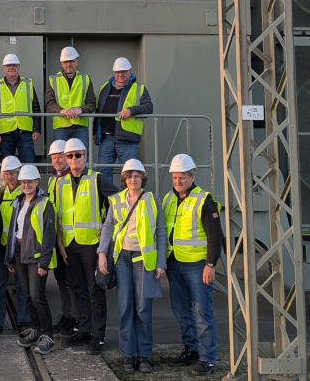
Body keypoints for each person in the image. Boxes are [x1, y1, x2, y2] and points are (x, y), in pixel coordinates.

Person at [96, 159, 166, 373]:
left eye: (137, 175)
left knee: (143, 307)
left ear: (142, 178)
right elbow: (108, 226)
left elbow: (161, 231)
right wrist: (101, 253)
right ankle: (128, 355)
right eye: (129, 175)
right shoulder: (116, 199)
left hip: (144, 260)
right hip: (122, 259)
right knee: (126, 306)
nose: (133, 179)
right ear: (124, 179)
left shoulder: (152, 199)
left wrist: (161, 263)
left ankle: (144, 355)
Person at [163, 153, 223, 377]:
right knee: (181, 310)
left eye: (182, 178)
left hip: (197, 265)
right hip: (175, 263)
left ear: (192, 176)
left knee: (202, 312)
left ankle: (208, 359)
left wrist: (210, 264)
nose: (178, 182)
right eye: (175, 178)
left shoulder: (203, 199)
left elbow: (215, 236)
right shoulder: (169, 199)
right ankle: (191, 349)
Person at [53, 138, 109, 354]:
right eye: (70, 156)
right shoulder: (60, 183)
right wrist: (60, 242)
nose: (74, 159)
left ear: (85, 156)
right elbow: (58, 215)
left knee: (95, 290)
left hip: (91, 244)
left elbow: (117, 202)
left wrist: (105, 228)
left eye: (78, 155)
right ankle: (84, 329)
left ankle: (98, 336)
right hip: (70, 244)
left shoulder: (97, 179)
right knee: (78, 290)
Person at [7, 164, 57, 356]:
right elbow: (13, 231)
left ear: (37, 182)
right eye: (24, 182)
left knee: (37, 296)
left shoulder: (45, 204)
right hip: (20, 253)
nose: (26, 185)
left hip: (36, 256)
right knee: (27, 295)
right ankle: (35, 329)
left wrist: (44, 262)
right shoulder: (18, 201)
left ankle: (48, 334)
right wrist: (10, 259)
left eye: (30, 181)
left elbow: (49, 235)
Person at [94, 57, 153, 193]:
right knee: (103, 172)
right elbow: (98, 111)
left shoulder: (139, 88)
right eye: (118, 72)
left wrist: (131, 110)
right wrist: (96, 135)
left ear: (129, 72)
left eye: (124, 72)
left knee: (128, 172)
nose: (120, 75)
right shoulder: (105, 87)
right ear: (114, 72)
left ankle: (126, 203)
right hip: (106, 137)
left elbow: (149, 107)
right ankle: (109, 204)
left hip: (127, 139)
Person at [0, 155, 30, 334]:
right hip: (2, 247)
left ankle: (23, 321)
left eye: (13, 173)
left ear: (19, 173)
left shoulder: (26, 192)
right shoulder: (0, 192)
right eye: (7, 173)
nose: (10, 177)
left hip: (19, 247)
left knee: (22, 286)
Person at [46, 139, 76, 335]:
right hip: (56, 238)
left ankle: (76, 319)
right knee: (61, 280)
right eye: (54, 157)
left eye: (60, 156)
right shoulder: (52, 180)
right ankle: (68, 316)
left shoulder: (74, 178)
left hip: (71, 239)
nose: (57, 159)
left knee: (73, 281)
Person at [0, 53, 41, 166]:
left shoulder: (28, 84)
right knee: (8, 166)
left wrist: (36, 129)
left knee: (28, 164)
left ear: (18, 67)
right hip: (5, 133)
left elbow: (36, 108)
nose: (11, 68)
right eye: (8, 65)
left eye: (14, 65)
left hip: (25, 131)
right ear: (4, 68)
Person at [45, 46, 95, 144]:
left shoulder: (85, 79)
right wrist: (61, 110)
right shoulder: (53, 79)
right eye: (65, 62)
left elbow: (92, 103)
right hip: (61, 126)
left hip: (80, 126)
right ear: (61, 64)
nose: (69, 64)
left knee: (81, 157)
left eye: (71, 61)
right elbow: (49, 103)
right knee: (61, 157)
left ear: (77, 62)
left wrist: (80, 109)